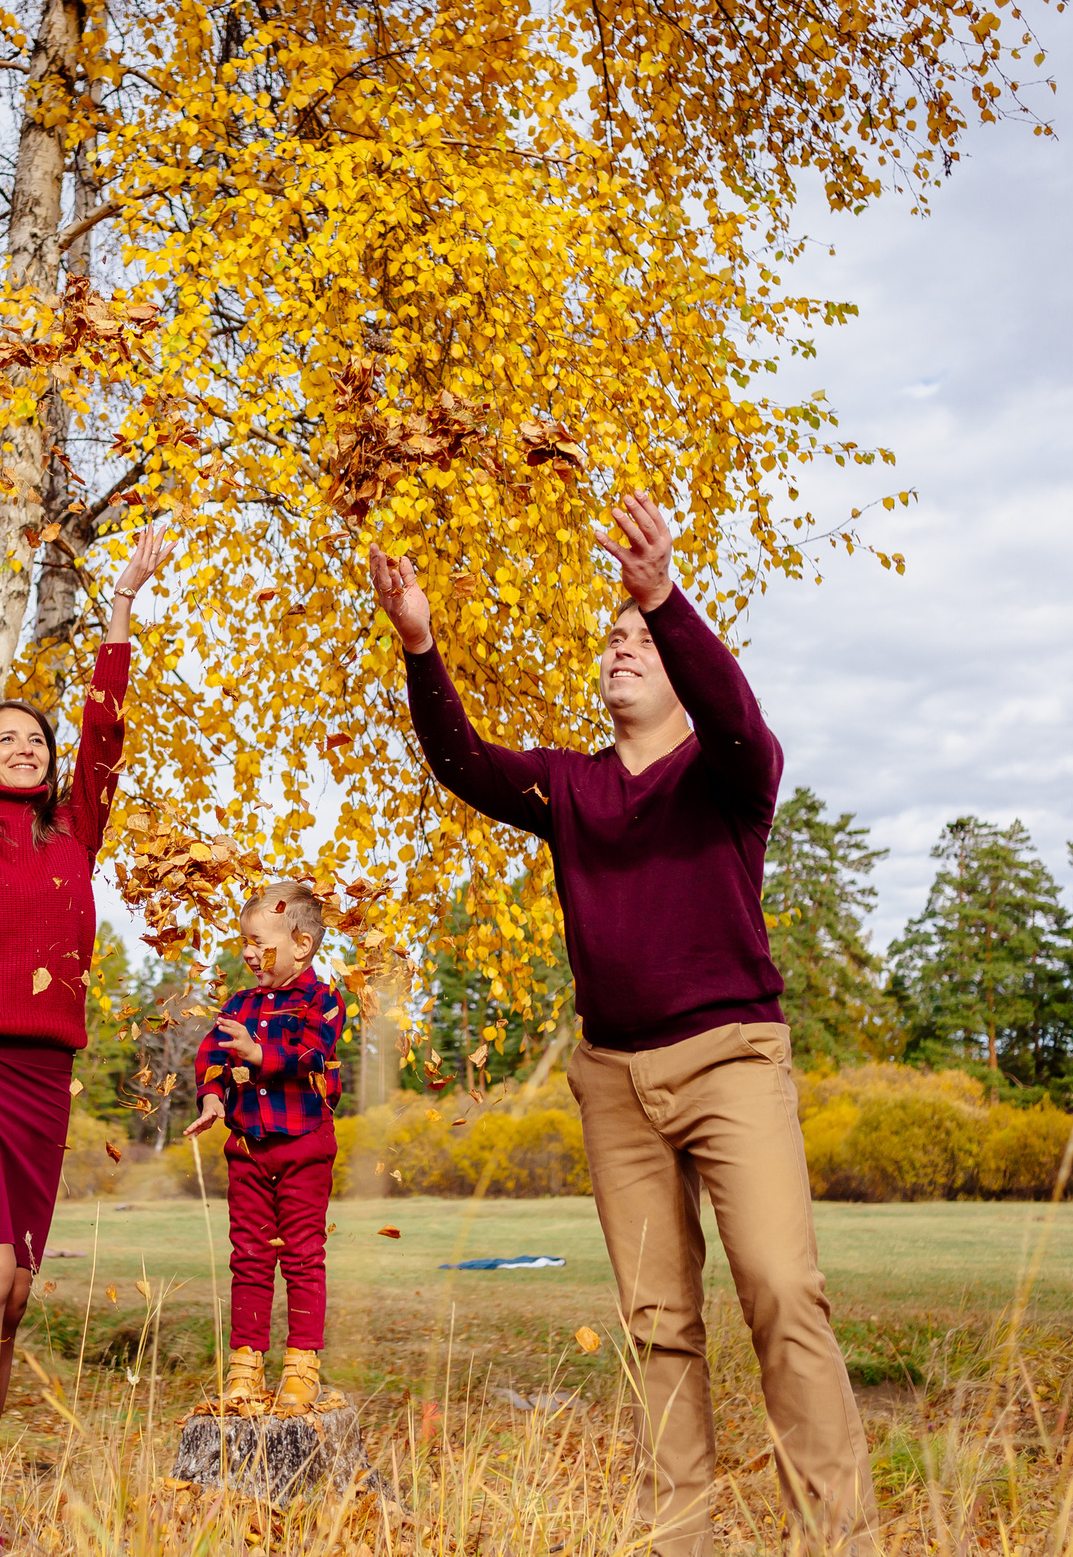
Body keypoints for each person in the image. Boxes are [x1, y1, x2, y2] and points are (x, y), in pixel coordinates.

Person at [368, 493, 873, 1557]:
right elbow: (462, 761)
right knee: (657, 1325)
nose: (619, 647)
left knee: (782, 1290)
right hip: (614, 1084)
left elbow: (739, 714)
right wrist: (420, 645)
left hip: (731, 1058)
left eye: (640, 640)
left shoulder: (727, 776)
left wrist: (665, 598)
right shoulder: (570, 788)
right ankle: (676, 1535)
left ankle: (835, 1538)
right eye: (611, 637)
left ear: (678, 671)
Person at [0, 510, 169, 1554]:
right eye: (5, 736)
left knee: (13, 1290)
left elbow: (105, 728)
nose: (26, 744)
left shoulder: (72, 831)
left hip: (42, 1074)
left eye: (36, 738)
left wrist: (122, 608)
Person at [182, 879, 345, 1417]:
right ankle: (245, 1365)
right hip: (249, 1149)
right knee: (249, 1257)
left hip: (303, 1145)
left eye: (259, 941)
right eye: (244, 942)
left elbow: (315, 1055)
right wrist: (212, 1098)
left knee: (302, 1256)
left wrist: (261, 1052)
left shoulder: (322, 999)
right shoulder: (239, 1002)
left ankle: (301, 1365)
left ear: (301, 944)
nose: (248, 952)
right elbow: (211, 1056)